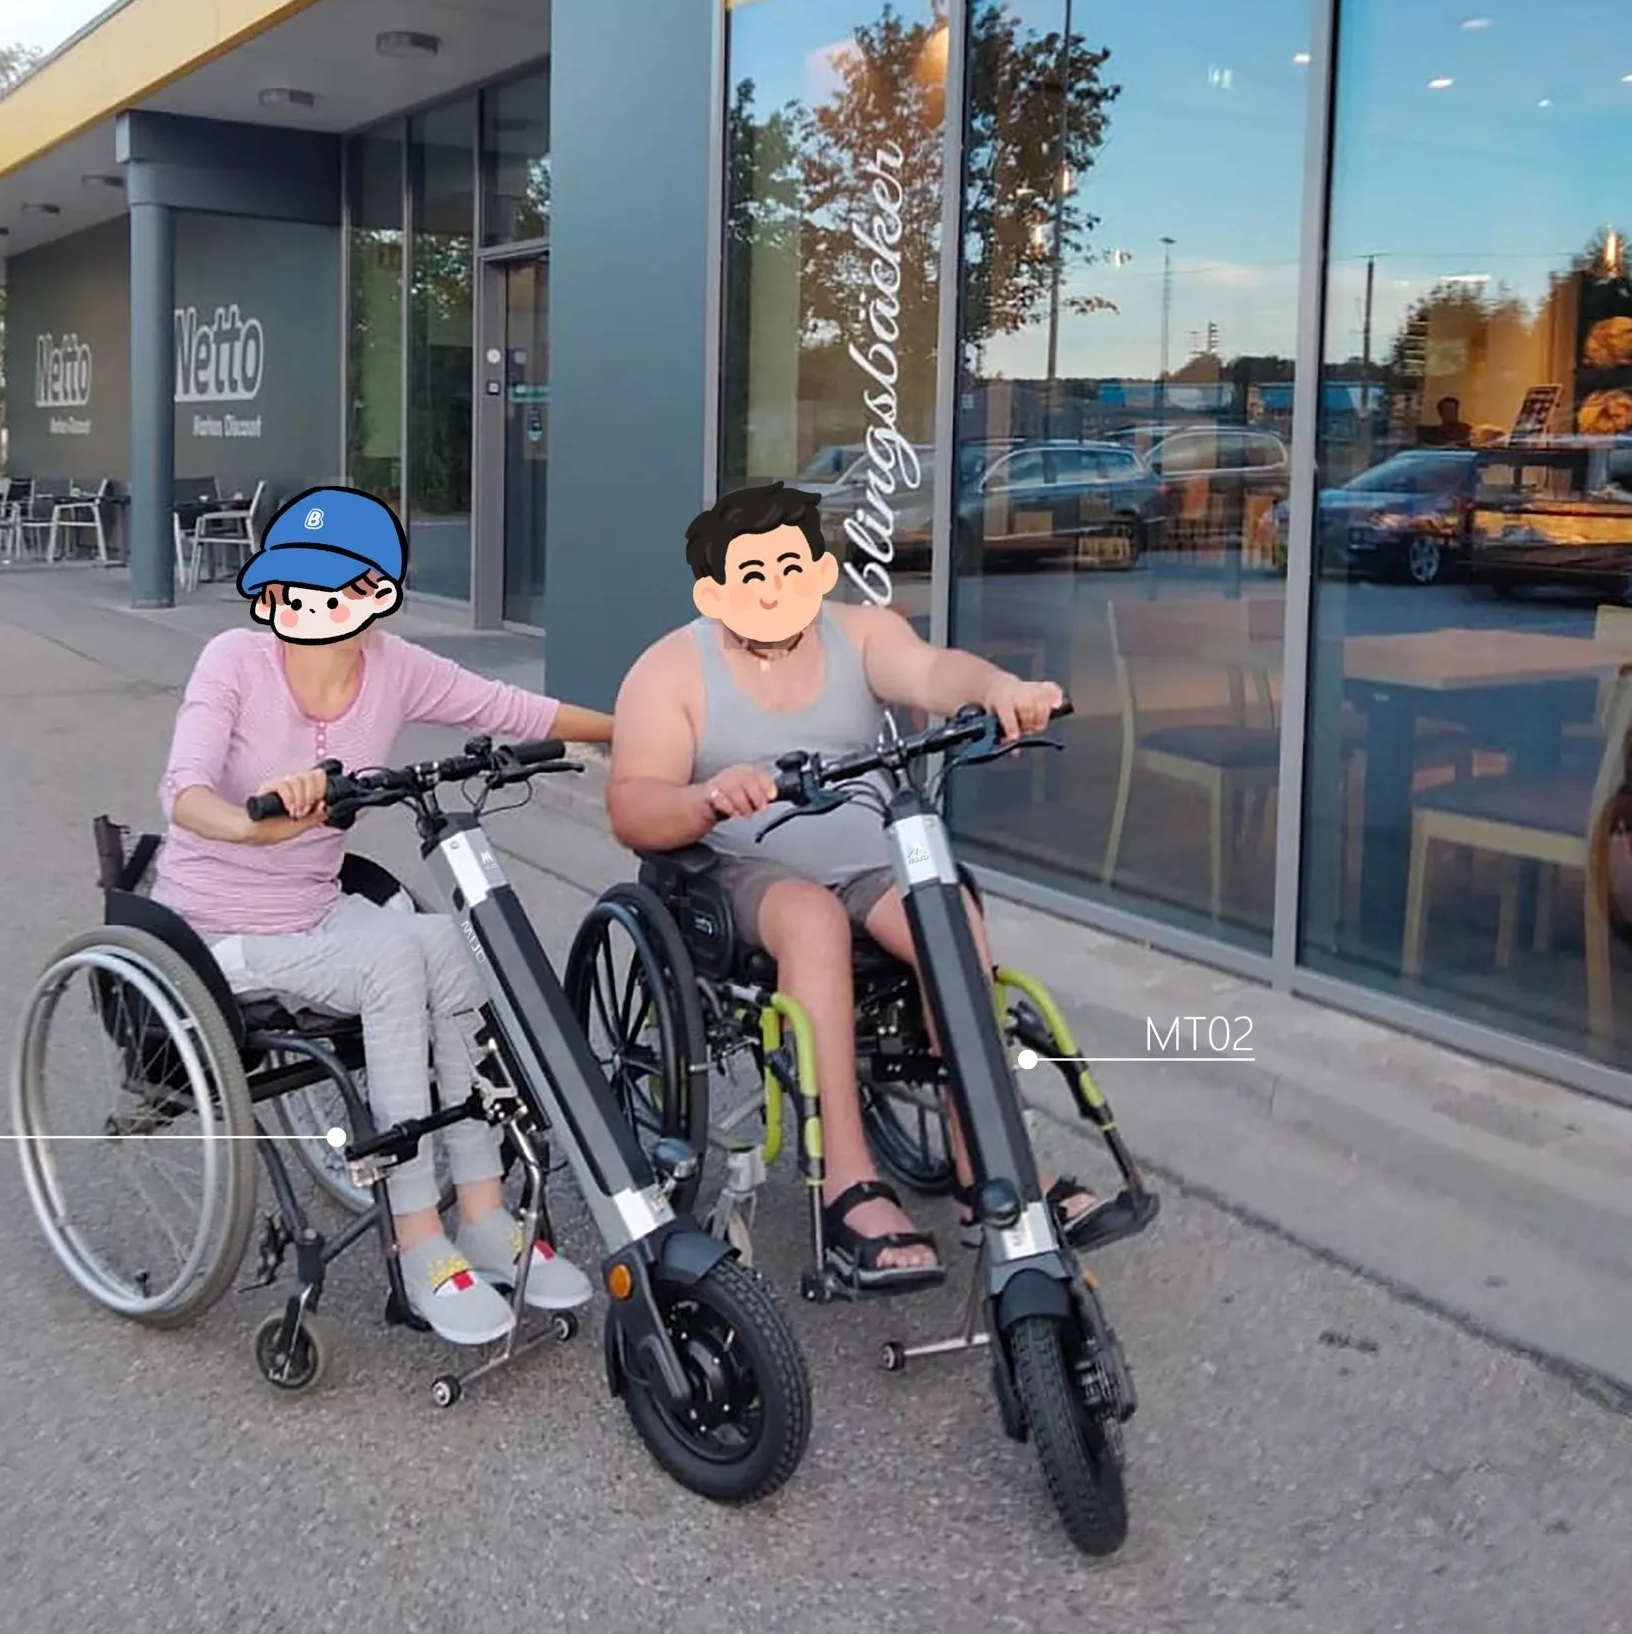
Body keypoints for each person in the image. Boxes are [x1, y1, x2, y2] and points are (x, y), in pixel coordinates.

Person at [606, 480, 1104, 1294]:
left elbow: (932, 670)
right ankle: (847, 1176)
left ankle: (988, 1160)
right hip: (739, 870)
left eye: (788, 569)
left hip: (868, 861)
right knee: (811, 922)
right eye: (751, 575)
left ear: (818, 570)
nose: (773, 589)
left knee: (944, 907)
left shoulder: (859, 633)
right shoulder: (670, 671)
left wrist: (997, 691)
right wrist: (706, 797)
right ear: (714, 590)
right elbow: (631, 808)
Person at [147, 486, 613, 1345]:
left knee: (451, 942)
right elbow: (183, 791)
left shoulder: (390, 666)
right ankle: (417, 1238)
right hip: (213, 932)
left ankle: (483, 1213)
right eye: (296, 583)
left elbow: (509, 709)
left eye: (339, 586)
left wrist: (629, 732)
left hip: (314, 912)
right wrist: (251, 822)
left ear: (377, 591)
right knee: (391, 962)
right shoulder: (236, 659)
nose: (313, 603)